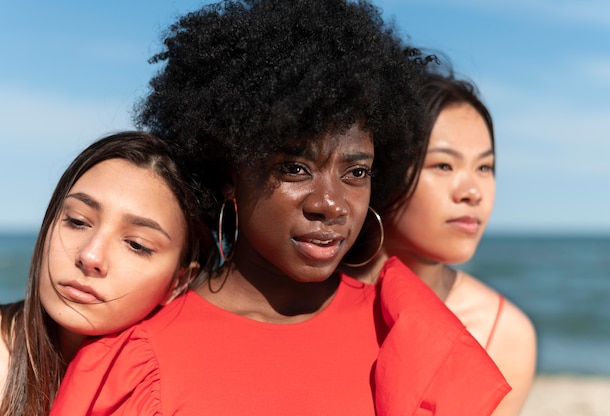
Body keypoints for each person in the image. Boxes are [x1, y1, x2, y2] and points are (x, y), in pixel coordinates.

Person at [51, 1, 509, 414]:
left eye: (355, 173)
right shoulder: (140, 365)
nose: (330, 204)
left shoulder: (406, 332)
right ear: (230, 172)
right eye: (294, 168)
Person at [345, 70, 537, 414]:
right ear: (384, 171)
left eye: (485, 168)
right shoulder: (306, 301)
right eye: (444, 165)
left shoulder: (503, 332)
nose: (472, 193)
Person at [0, 131, 214, 416]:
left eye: (136, 245)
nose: (90, 256)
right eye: (77, 221)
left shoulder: (174, 394)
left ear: (179, 282)